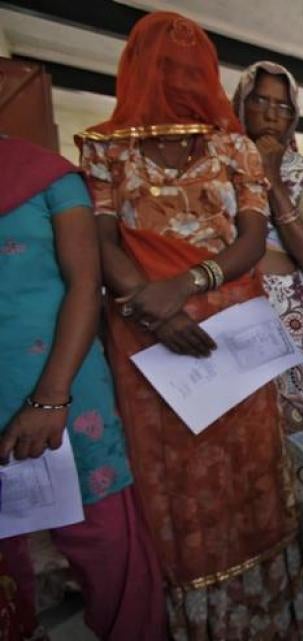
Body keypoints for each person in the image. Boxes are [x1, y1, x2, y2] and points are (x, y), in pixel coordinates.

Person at [76, 13, 303, 639]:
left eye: (191, 67)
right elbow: (101, 240)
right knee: (176, 484)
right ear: (138, 69)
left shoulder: (233, 146)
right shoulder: (105, 147)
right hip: (147, 335)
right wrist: (152, 307)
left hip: (231, 336)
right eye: (165, 65)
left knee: (250, 473)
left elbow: (254, 237)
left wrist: (186, 284)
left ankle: (266, 620)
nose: (177, 79)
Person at [0, 136, 165, 640]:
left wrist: (50, 397)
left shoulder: (46, 175)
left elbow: (84, 284)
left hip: (60, 385)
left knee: (105, 540)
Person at [233, 61, 303, 433]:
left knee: (288, 419)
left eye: (283, 106)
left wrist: (270, 176)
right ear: (241, 103)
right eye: (260, 101)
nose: (272, 115)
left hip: (283, 309)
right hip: (225, 303)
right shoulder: (219, 163)